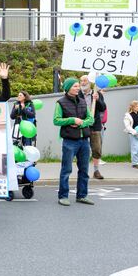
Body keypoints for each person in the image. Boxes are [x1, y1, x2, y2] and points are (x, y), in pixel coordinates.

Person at [54, 77, 95, 206]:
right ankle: (63, 196)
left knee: (84, 170)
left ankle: (82, 195)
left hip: (84, 141)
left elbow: (91, 119)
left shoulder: (83, 102)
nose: (78, 88)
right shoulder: (60, 103)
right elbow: (56, 120)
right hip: (70, 141)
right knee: (66, 169)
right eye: (75, 86)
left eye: (78, 86)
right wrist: (72, 120)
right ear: (68, 88)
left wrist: (82, 123)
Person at [79, 75, 107, 179]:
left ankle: (96, 170)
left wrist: (98, 99)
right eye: (81, 81)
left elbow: (103, 107)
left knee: (97, 148)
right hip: (82, 125)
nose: (83, 82)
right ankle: (83, 170)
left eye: (85, 80)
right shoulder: (77, 94)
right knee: (82, 149)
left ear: (90, 82)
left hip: (95, 125)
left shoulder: (97, 93)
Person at [123, 101, 138, 168]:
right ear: (133, 107)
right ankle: (135, 163)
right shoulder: (128, 115)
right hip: (133, 134)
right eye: (137, 106)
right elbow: (127, 126)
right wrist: (135, 132)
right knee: (135, 149)